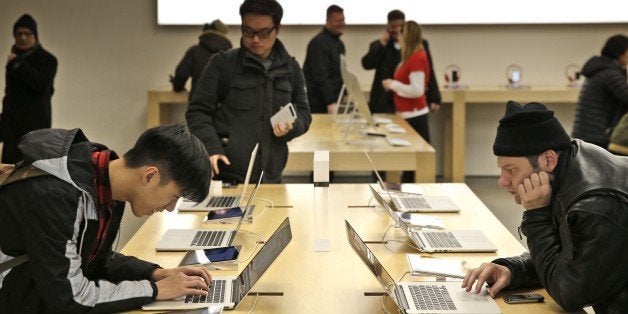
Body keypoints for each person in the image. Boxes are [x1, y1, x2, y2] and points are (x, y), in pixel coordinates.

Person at [0, 124, 214, 312]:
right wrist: (155, 290)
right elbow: (71, 298)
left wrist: (155, 273)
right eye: (174, 197)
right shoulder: (57, 194)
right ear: (150, 176)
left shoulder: (103, 183)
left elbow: (96, 260)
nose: (170, 208)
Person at [462, 101, 628, 313]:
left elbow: (570, 294)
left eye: (511, 170)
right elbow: (571, 257)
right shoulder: (569, 163)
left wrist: (537, 215)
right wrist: (513, 270)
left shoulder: (594, 205)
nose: (502, 181)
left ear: (548, 160)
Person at [186, 0, 311, 184]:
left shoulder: (291, 68)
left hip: (272, 177)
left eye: (263, 33)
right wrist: (212, 148)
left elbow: (304, 113)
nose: (255, 39)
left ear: (278, 28)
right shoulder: (222, 63)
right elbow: (198, 111)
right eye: (248, 31)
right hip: (226, 177)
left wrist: (293, 126)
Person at [1, 14, 57, 164]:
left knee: (32, 172)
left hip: (35, 128)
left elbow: (41, 85)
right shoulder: (14, 59)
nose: (23, 37)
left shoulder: (48, 60)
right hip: (12, 128)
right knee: (9, 173)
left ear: (35, 35)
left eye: (27, 33)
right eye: (19, 33)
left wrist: (18, 64)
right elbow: (10, 94)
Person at [362, 10, 441, 114]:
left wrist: (434, 97)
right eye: (393, 27)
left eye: (399, 27)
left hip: (408, 101)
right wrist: (380, 46)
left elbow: (429, 71)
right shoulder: (380, 44)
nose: (396, 30)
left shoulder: (419, 46)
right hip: (384, 101)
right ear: (388, 26)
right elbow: (367, 64)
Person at [382, 21, 432, 182]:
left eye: (400, 34)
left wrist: (393, 84)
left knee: (414, 170)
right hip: (407, 115)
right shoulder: (410, 56)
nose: (398, 37)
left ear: (407, 36)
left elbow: (417, 90)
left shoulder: (417, 57)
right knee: (409, 169)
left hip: (415, 116)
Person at [572, 34, 628, 149]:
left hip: (586, 133)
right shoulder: (610, 73)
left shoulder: (600, 68)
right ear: (620, 52)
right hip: (597, 136)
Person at [170, 19, 232, 100]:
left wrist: (177, 88)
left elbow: (182, 73)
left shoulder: (194, 51)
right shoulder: (230, 53)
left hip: (198, 102)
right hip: (223, 102)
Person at [302, 4, 346, 114]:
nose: (342, 24)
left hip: (333, 101)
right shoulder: (318, 43)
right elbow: (320, 75)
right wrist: (330, 101)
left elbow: (340, 72)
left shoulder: (339, 44)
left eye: (343, 20)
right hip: (318, 103)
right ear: (327, 21)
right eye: (337, 21)